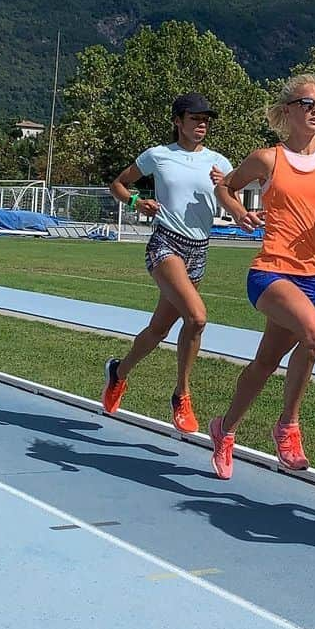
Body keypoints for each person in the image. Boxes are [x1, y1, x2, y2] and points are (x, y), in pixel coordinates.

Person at [207, 74, 315, 480]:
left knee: (264, 364)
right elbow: (226, 188)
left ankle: (224, 429)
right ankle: (287, 426)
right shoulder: (267, 159)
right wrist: (239, 212)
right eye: (308, 104)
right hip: (269, 272)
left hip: (311, 277)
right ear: (288, 110)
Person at [101, 93, 232, 434]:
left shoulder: (220, 162)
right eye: (195, 118)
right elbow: (118, 183)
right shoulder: (158, 156)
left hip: (199, 250)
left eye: (206, 120)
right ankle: (182, 395)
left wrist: (235, 201)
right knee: (197, 317)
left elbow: (231, 199)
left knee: (159, 330)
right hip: (165, 243)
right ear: (178, 121)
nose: (202, 125)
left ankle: (119, 372)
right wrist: (134, 201)